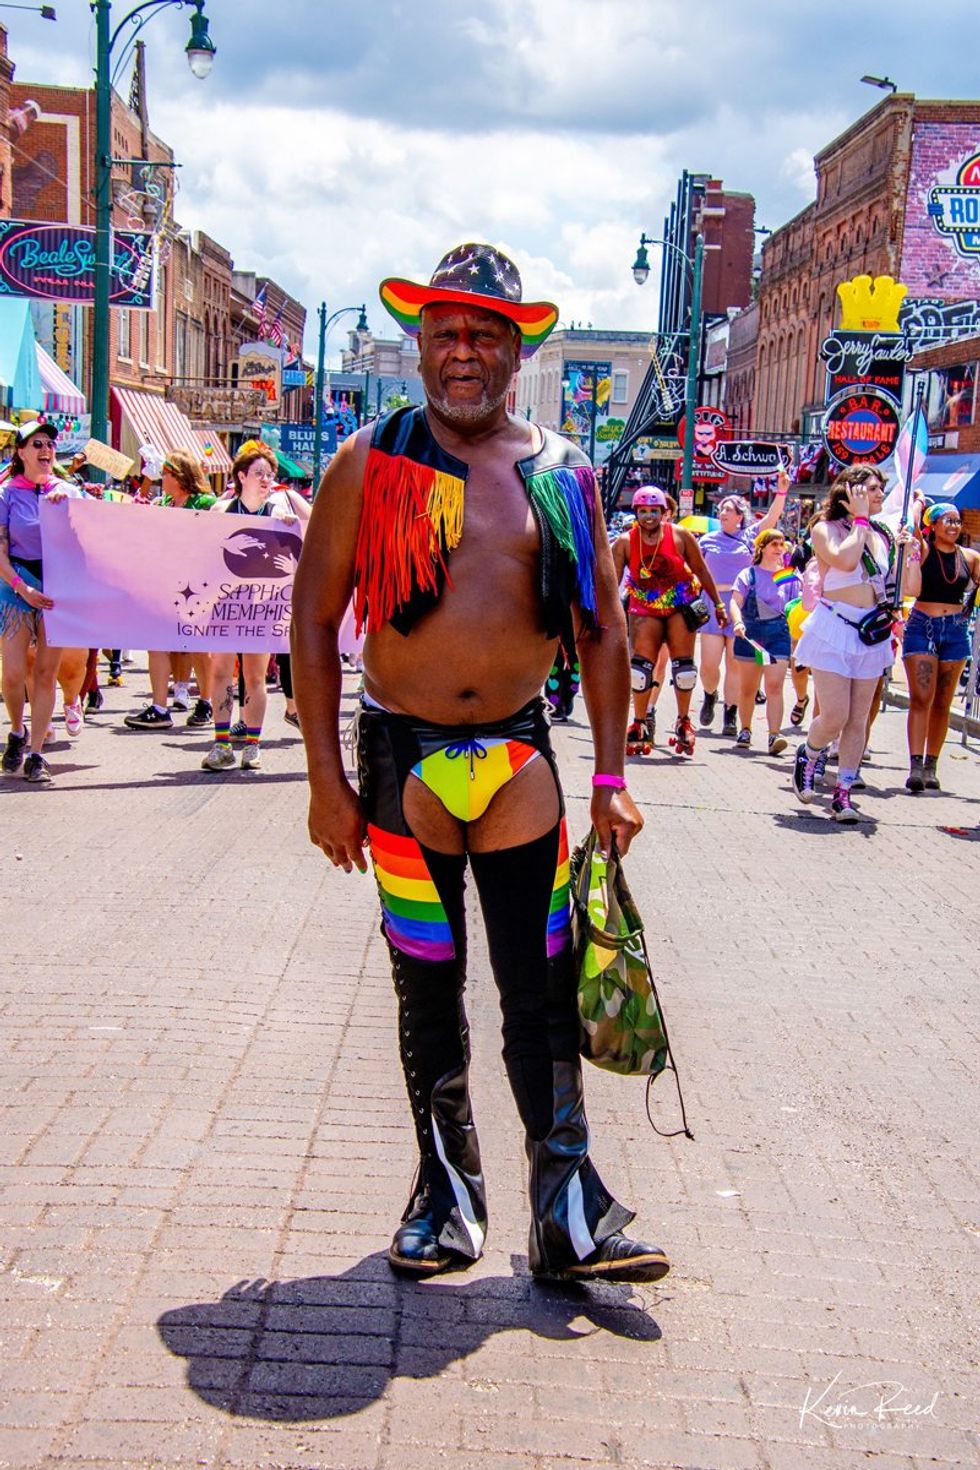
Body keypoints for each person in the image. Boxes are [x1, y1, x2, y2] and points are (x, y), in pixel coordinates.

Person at [291, 242, 668, 1285]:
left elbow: (601, 630)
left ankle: (568, 1213)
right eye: (445, 332)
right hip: (400, 764)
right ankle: (443, 1198)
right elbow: (312, 622)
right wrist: (323, 780)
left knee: (540, 988)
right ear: (420, 347)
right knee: (426, 988)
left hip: (516, 761)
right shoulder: (370, 460)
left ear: (517, 349)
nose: (462, 351)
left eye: (484, 334)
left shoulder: (563, 472)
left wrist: (611, 778)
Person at [791, 466, 913, 823]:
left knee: (859, 718)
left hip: (871, 632)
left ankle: (843, 791)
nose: (879, 495)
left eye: (880, 489)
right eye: (872, 489)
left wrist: (908, 554)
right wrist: (859, 520)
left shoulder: (883, 533)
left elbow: (904, 587)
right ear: (850, 491)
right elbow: (844, 560)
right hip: (834, 627)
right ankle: (809, 753)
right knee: (835, 715)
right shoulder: (824, 528)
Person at [200, 441, 308, 772]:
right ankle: (221, 744)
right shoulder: (221, 511)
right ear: (242, 476)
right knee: (220, 671)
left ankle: (252, 745)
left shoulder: (277, 514)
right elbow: (198, 547)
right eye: (259, 473)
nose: (266, 479)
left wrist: (291, 529)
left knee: (255, 675)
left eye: (270, 474)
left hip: (260, 607)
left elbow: (303, 544)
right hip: (224, 605)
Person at [0, 420, 85, 783]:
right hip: (17, 586)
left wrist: (68, 510)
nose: (45, 449)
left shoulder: (69, 492)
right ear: (20, 452)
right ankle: (16, 731)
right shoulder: (6, 495)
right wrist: (22, 589)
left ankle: (36, 753)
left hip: (57, 589)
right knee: (13, 673)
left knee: (46, 672)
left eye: (49, 443)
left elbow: (93, 537)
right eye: (36, 444)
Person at [611, 485, 724, 758]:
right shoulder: (625, 542)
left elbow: (700, 569)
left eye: (654, 510)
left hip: (679, 604)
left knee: (684, 669)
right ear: (636, 512)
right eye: (643, 511)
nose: (649, 516)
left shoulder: (681, 535)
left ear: (664, 512)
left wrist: (718, 603)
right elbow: (611, 582)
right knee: (640, 671)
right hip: (644, 607)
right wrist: (604, 613)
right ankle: (639, 723)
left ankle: (684, 721)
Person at [123, 450, 217, 732]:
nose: (162, 479)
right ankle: (159, 707)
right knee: (157, 642)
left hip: (197, 584)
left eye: (165, 474)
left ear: (180, 476)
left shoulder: (206, 503)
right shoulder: (162, 504)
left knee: (198, 645)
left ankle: (206, 702)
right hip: (164, 582)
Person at [697, 474, 789, 735]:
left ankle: (730, 714)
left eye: (728, 509)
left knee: (735, 665)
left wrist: (781, 492)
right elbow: (696, 570)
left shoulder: (749, 537)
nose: (723, 513)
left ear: (740, 516)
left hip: (742, 605)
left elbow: (771, 519)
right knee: (709, 665)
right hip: (714, 603)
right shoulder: (707, 540)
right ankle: (710, 694)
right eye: (721, 509)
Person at [902, 502, 980, 792]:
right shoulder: (923, 550)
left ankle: (931, 766)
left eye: (957, 521)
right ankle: (915, 765)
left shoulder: (970, 557)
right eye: (947, 520)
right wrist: (917, 503)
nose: (954, 526)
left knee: (943, 701)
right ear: (933, 525)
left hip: (956, 631)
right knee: (921, 697)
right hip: (922, 627)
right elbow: (911, 526)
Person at [729, 529, 793, 753]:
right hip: (751, 635)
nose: (779, 549)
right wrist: (738, 622)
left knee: (775, 685)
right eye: (774, 544)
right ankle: (745, 729)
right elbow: (735, 602)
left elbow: (797, 604)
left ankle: (774, 735)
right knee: (749, 688)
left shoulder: (787, 575)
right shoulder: (749, 574)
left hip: (778, 635)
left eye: (782, 544)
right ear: (762, 547)